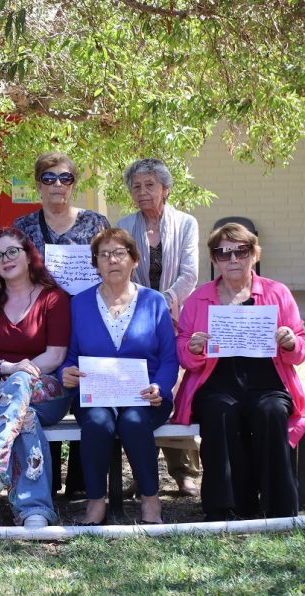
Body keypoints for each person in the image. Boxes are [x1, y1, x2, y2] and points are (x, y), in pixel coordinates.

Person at [174, 223, 305, 520]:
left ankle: (279, 510)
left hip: (267, 382)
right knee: (219, 412)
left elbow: (300, 346)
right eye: (223, 253)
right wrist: (193, 348)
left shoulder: (277, 292)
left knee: (272, 411)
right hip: (216, 383)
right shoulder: (198, 298)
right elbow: (182, 350)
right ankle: (225, 509)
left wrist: (289, 342)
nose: (232, 259)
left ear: (254, 254)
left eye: (241, 251)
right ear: (214, 259)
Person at [60, 228, 177, 524]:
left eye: (119, 253)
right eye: (104, 255)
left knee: (133, 422)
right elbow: (70, 356)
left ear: (134, 260)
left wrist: (160, 387)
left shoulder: (154, 301)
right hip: (95, 395)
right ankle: (95, 502)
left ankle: (150, 499)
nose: (112, 260)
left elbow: (169, 358)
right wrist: (66, 373)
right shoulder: (79, 303)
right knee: (97, 423)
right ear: (96, 264)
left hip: (146, 396)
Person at [0, 228, 71, 528]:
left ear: (28, 255)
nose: (5, 259)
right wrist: (8, 369)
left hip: (48, 390)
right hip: (0, 393)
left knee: (21, 385)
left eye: (12, 251)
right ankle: (34, 510)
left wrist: (20, 372)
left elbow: (56, 355)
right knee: (25, 416)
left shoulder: (53, 298)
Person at [14, 152, 110, 499]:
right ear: (38, 184)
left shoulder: (96, 223)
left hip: (89, 322)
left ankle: (83, 484)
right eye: (49, 178)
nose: (57, 184)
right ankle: (48, 481)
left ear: (74, 184)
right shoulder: (23, 227)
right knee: (47, 395)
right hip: (41, 326)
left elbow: (110, 264)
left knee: (88, 392)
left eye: (65, 178)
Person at [117, 157, 201, 497]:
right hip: (135, 319)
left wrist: (162, 302)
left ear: (165, 189)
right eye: (136, 186)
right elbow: (122, 272)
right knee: (141, 390)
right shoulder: (124, 225)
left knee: (174, 390)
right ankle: (143, 471)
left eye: (150, 185)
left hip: (177, 316)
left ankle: (184, 472)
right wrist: (143, 307)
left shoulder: (185, 223)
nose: (142, 191)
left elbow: (190, 273)